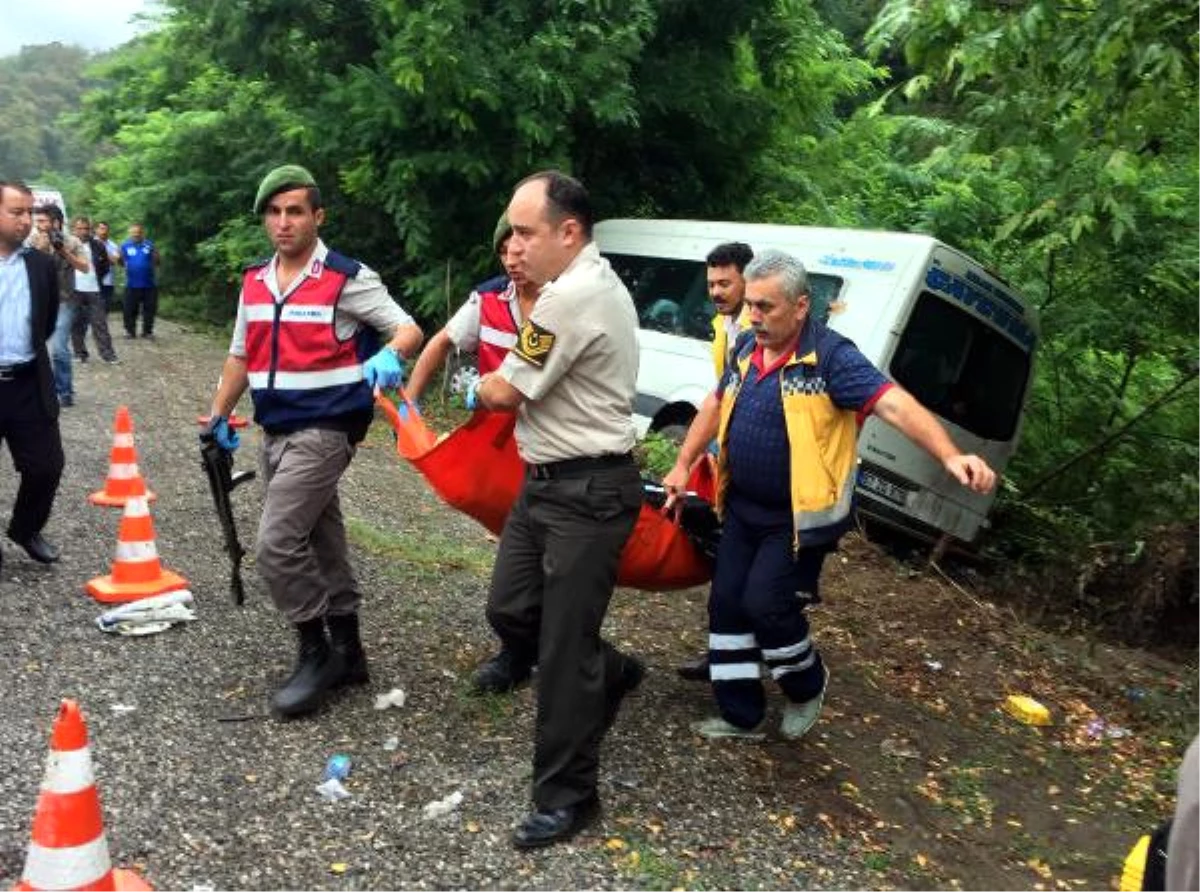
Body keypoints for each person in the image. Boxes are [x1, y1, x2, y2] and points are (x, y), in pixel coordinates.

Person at [662, 249, 996, 740]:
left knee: (766, 607)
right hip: (740, 507)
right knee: (727, 605)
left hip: (796, 519)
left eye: (767, 307)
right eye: (751, 305)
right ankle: (742, 716)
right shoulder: (745, 349)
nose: (754, 316)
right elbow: (715, 403)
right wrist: (682, 462)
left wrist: (950, 455)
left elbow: (895, 404)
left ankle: (806, 684)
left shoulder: (832, 358)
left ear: (801, 307)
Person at [205, 165, 423, 718]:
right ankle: (350, 650)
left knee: (277, 544)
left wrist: (390, 354)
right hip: (275, 427)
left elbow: (408, 328)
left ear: (317, 216)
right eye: (274, 212)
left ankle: (316, 650)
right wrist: (217, 416)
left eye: (295, 211)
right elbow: (241, 355)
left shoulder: (347, 277)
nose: (284, 223)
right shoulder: (254, 281)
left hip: (327, 428)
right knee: (321, 537)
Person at [473, 170, 644, 849]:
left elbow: (505, 391)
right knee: (511, 607)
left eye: (524, 231)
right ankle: (614, 669)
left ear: (568, 233)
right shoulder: (570, 291)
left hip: (588, 493)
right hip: (544, 483)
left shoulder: (569, 299)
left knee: (562, 652)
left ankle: (567, 795)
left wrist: (481, 382)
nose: (513, 245)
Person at [677, 241, 756, 683]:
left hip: (753, 463)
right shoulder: (724, 324)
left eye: (726, 282)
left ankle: (737, 659)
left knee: (738, 569)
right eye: (711, 283)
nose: (717, 291)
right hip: (726, 455)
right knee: (727, 562)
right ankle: (725, 654)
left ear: (748, 278)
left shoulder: (755, 328)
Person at [405, 213, 542, 407]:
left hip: (550, 428)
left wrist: (478, 388)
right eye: (504, 252)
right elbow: (442, 342)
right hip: (492, 428)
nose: (510, 262)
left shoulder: (564, 300)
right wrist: (410, 402)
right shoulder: (488, 299)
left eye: (519, 252)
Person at [0, 181, 65, 569]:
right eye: (16, 212)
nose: (27, 221)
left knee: (46, 466)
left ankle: (25, 529)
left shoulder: (40, 265)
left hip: (27, 380)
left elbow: (47, 323)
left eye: (29, 212)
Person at [27, 205, 89, 407]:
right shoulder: (31, 240)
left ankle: (64, 391)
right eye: (37, 221)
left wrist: (63, 252)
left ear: (56, 222)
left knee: (59, 347)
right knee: (32, 347)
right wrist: (40, 250)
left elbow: (85, 267)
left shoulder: (72, 241)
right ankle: (38, 391)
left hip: (65, 300)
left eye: (43, 221)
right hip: (39, 301)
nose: (38, 225)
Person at [69, 217, 118, 364]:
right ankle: (80, 353)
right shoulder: (66, 244)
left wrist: (96, 277)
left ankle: (108, 355)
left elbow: (105, 266)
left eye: (86, 228)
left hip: (94, 288)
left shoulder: (97, 245)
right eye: (79, 228)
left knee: (100, 322)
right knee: (77, 323)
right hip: (74, 289)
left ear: (90, 229)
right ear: (73, 229)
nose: (83, 231)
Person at [707, 241, 754, 378]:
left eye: (724, 284)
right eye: (711, 284)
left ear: (747, 281)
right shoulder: (720, 323)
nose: (715, 292)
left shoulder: (762, 330)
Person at [118, 222, 159, 339]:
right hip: (131, 284)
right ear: (130, 233)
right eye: (134, 233)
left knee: (150, 309)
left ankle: (147, 331)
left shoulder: (149, 245)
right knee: (129, 309)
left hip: (149, 284)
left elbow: (157, 262)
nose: (136, 235)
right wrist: (120, 259)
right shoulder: (125, 246)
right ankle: (130, 331)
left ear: (142, 233)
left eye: (138, 233)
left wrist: (156, 255)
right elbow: (120, 263)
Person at [94, 221, 121, 315]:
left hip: (108, 282)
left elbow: (115, 261)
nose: (104, 231)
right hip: (93, 281)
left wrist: (102, 253)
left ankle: (102, 329)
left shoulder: (113, 245)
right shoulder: (91, 243)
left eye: (106, 229)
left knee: (105, 309)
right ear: (96, 230)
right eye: (101, 229)